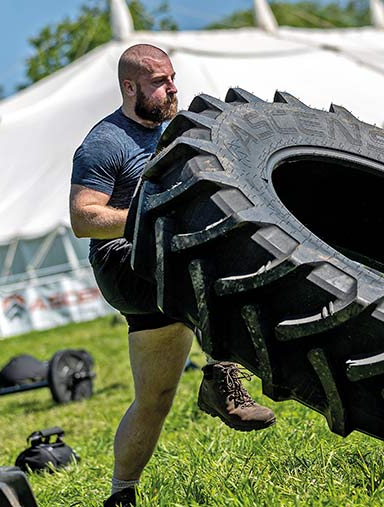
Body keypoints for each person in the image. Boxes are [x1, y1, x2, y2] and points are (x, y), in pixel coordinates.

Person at [69, 44, 275, 507]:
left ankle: (120, 495)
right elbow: (84, 218)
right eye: (160, 81)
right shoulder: (106, 142)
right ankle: (221, 374)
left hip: (167, 261)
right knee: (215, 259)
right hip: (123, 261)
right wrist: (158, 218)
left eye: (172, 77)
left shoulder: (177, 131)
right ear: (130, 87)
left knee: (155, 399)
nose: (173, 87)